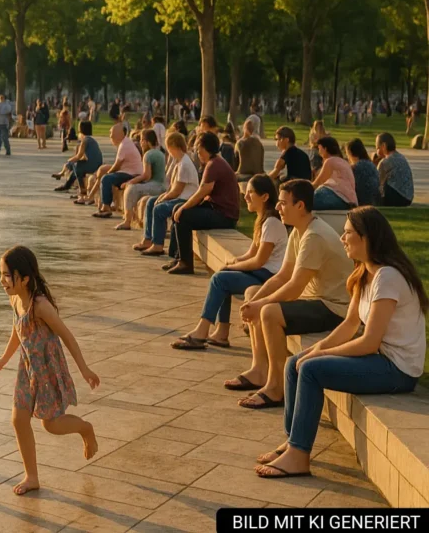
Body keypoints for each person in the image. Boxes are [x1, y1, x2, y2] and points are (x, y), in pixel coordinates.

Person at [255, 207, 426, 479]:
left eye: (347, 233)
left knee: (310, 370)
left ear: (366, 237)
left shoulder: (388, 277)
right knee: (294, 362)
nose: (342, 238)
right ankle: (292, 442)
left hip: (398, 370)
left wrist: (319, 356)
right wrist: (317, 348)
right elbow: (349, 325)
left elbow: (369, 342)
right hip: (380, 359)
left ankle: (299, 456)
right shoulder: (365, 272)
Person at [230, 180, 352, 410]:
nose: (278, 208)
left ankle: (276, 388)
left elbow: (295, 287)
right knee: (253, 292)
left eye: (283, 203)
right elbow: (283, 275)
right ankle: (259, 370)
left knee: (269, 312)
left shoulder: (314, 236)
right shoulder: (299, 230)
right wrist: (254, 301)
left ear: (300, 206)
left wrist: (261, 305)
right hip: (314, 299)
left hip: (334, 307)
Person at [0, 246, 100, 496]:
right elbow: (18, 331)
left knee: (51, 424)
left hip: (48, 370)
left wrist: (84, 369)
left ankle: (85, 428)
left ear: (25, 278)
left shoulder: (40, 305)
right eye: (1, 274)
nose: (2, 280)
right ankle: (32, 476)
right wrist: (2, 360)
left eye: (7, 275)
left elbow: (67, 336)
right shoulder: (15, 299)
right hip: (27, 368)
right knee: (18, 420)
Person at [171, 175, 286, 350]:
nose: (245, 197)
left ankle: (202, 331)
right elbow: (251, 254)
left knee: (221, 279)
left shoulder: (271, 223)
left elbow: (258, 261)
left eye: (250, 193)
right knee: (223, 276)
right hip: (262, 273)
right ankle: (221, 332)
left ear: (264, 197)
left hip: (268, 278)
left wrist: (231, 266)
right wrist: (234, 262)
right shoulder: (263, 220)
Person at [165, 132, 240, 275]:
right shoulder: (214, 163)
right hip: (216, 209)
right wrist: (181, 207)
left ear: (205, 148)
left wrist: (184, 207)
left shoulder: (214, 165)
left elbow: (202, 192)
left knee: (183, 215)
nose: (197, 153)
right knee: (177, 209)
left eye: (198, 149)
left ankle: (185, 263)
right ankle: (177, 258)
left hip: (224, 216)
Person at [137, 131, 199, 255]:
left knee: (159, 209)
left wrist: (163, 198)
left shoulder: (185, 164)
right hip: (179, 197)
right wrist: (162, 196)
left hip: (185, 200)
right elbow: (172, 188)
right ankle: (148, 239)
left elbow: (177, 191)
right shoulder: (179, 161)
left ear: (174, 146)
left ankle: (158, 245)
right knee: (151, 202)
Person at [115, 129, 166, 231]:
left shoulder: (148, 154)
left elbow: (146, 176)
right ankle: (136, 219)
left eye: (142, 140)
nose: (140, 143)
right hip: (161, 185)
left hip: (156, 186)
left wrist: (130, 182)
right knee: (134, 187)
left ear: (147, 142)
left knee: (131, 189)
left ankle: (127, 221)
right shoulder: (160, 153)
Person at [92, 124, 143, 219]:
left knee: (106, 179)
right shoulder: (125, 142)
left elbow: (117, 165)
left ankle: (106, 208)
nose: (110, 136)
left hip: (132, 175)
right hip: (129, 172)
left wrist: (108, 173)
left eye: (112, 133)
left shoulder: (124, 145)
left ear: (120, 134)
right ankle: (107, 204)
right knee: (107, 176)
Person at [53, 121, 103, 195]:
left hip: (93, 166)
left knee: (76, 165)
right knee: (76, 166)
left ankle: (81, 189)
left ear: (81, 129)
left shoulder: (85, 141)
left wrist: (68, 162)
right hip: (97, 163)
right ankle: (67, 185)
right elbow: (85, 157)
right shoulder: (91, 140)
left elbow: (78, 156)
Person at [312, 136, 356, 210]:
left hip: (339, 198)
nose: (319, 152)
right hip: (350, 200)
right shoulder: (344, 162)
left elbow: (318, 183)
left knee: (305, 201)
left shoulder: (330, 161)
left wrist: (303, 187)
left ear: (325, 149)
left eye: (319, 149)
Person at [376, 133, 414, 207]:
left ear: (383, 146)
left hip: (396, 198)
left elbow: (377, 181)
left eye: (377, 148)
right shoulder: (401, 157)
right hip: (408, 198)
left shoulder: (385, 162)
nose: (376, 151)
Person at [346, 139, 381, 206]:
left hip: (361, 202)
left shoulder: (355, 168)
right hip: (375, 201)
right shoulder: (371, 165)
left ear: (350, 153)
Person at [235, 118, 265, 184]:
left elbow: (235, 161)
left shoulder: (240, 143)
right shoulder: (259, 143)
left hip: (243, 173)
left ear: (244, 128)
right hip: (258, 173)